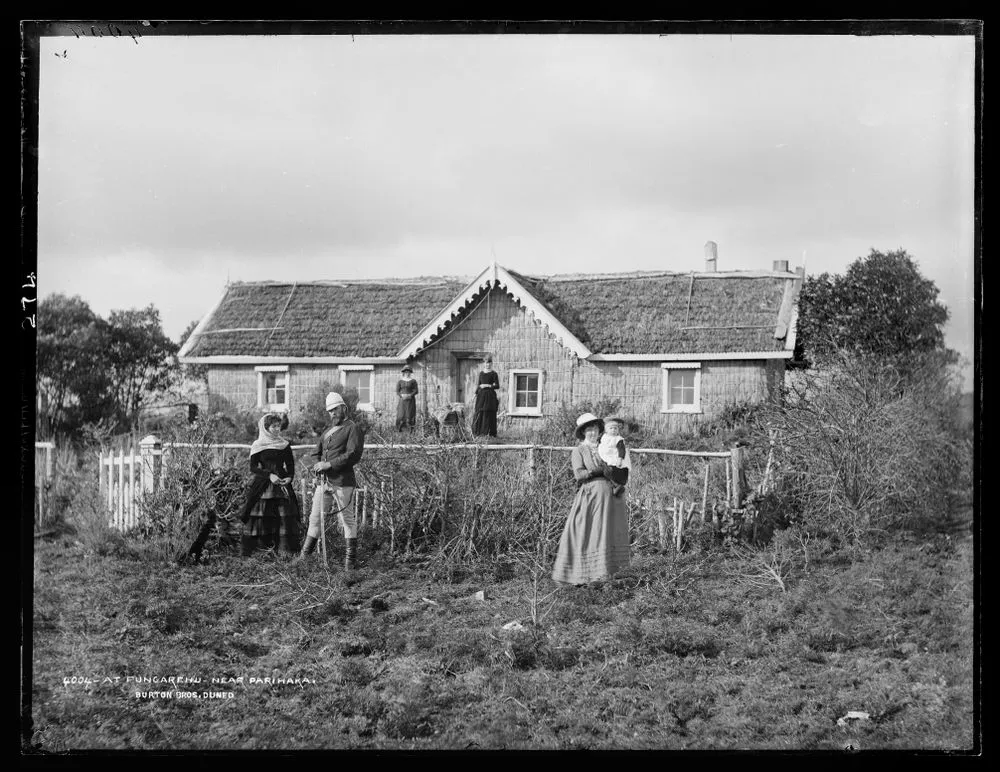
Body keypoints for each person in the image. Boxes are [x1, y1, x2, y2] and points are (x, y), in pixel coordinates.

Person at [551, 413, 630, 585]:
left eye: (595, 429)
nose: (593, 433)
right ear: (583, 433)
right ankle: (584, 575)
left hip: (612, 497)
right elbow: (579, 474)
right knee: (589, 531)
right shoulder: (579, 450)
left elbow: (620, 462)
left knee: (609, 531)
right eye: (589, 430)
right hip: (591, 496)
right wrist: (595, 471)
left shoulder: (606, 446)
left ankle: (611, 573)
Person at [299, 391, 366, 569]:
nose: (333, 413)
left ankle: (349, 567)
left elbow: (353, 454)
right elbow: (316, 453)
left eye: (335, 409)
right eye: (330, 411)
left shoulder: (353, 428)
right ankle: (303, 561)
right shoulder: (327, 431)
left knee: (347, 520)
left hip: (343, 481)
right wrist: (317, 465)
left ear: (343, 408)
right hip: (324, 482)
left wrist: (328, 465)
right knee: (315, 519)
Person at [239, 413, 300, 558]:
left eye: (279, 426)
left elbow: (290, 465)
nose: (277, 429)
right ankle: (262, 553)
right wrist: (269, 475)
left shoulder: (284, 444)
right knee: (262, 517)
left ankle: (284, 553)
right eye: (274, 426)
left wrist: (289, 477)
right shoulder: (258, 445)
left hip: (282, 484)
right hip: (263, 485)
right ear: (266, 428)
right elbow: (253, 467)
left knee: (284, 518)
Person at [598, 414, 631, 497]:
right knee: (605, 471)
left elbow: (621, 449)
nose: (613, 430)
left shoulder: (618, 439)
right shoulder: (604, 437)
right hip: (606, 456)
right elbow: (601, 445)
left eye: (615, 428)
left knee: (614, 471)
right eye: (611, 428)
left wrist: (620, 458)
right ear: (606, 430)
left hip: (615, 457)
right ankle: (613, 486)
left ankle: (617, 485)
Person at [471, 356, 500, 437]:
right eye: (486, 363)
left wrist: (488, 385)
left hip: (490, 396)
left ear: (491, 363)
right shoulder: (481, 373)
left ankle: (490, 433)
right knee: (479, 412)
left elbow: (497, 386)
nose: (488, 365)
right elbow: (478, 385)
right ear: (484, 363)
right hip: (481, 395)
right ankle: (479, 433)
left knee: (489, 412)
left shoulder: (494, 374)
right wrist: (474, 395)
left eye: (489, 363)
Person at [395, 364, 419, 432]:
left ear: (410, 373)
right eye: (405, 372)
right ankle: (400, 432)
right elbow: (397, 391)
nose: (407, 373)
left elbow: (416, 390)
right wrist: (401, 395)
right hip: (402, 401)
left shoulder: (413, 381)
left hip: (410, 401)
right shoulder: (400, 381)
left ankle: (410, 432)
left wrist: (410, 395)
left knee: (410, 415)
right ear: (403, 373)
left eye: (408, 372)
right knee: (401, 415)